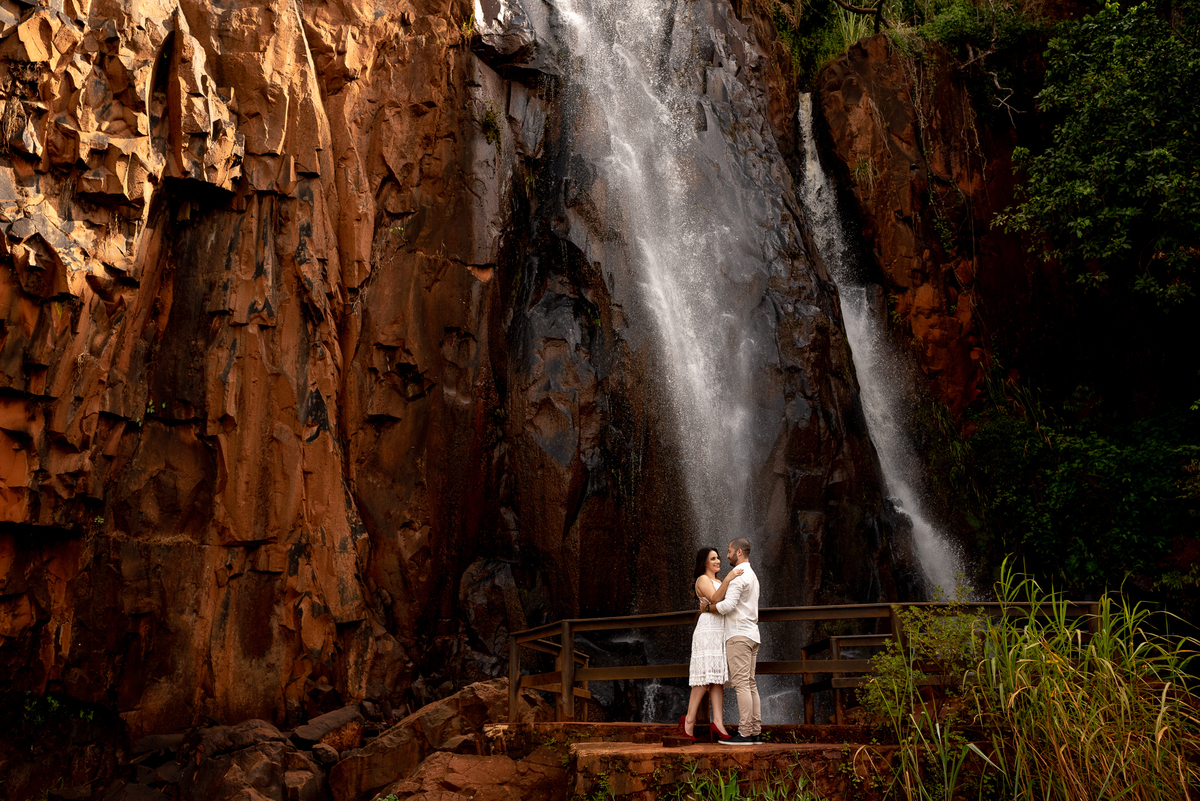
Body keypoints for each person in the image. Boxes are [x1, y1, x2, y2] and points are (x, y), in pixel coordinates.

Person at [681, 547, 743, 741]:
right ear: (704, 562)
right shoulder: (702, 580)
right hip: (707, 629)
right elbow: (716, 599)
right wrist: (729, 578)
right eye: (713, 558)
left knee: (718, 678)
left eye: (718, 558)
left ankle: (718, 723)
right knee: (704, 677)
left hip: (721, 629)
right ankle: (688, 721)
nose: (717, 561)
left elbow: (724, 604)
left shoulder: (718, 581)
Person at [706, 537, 760, 745]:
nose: (726, 555)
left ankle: (745, 732)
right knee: (750, 683)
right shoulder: (753, 575)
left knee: (741, 685)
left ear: (739, 552)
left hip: (738, 636)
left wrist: (708, 608)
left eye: (729, 551)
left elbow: (727, 606)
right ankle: (755, 731)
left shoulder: (738, 577)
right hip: (752, 634)